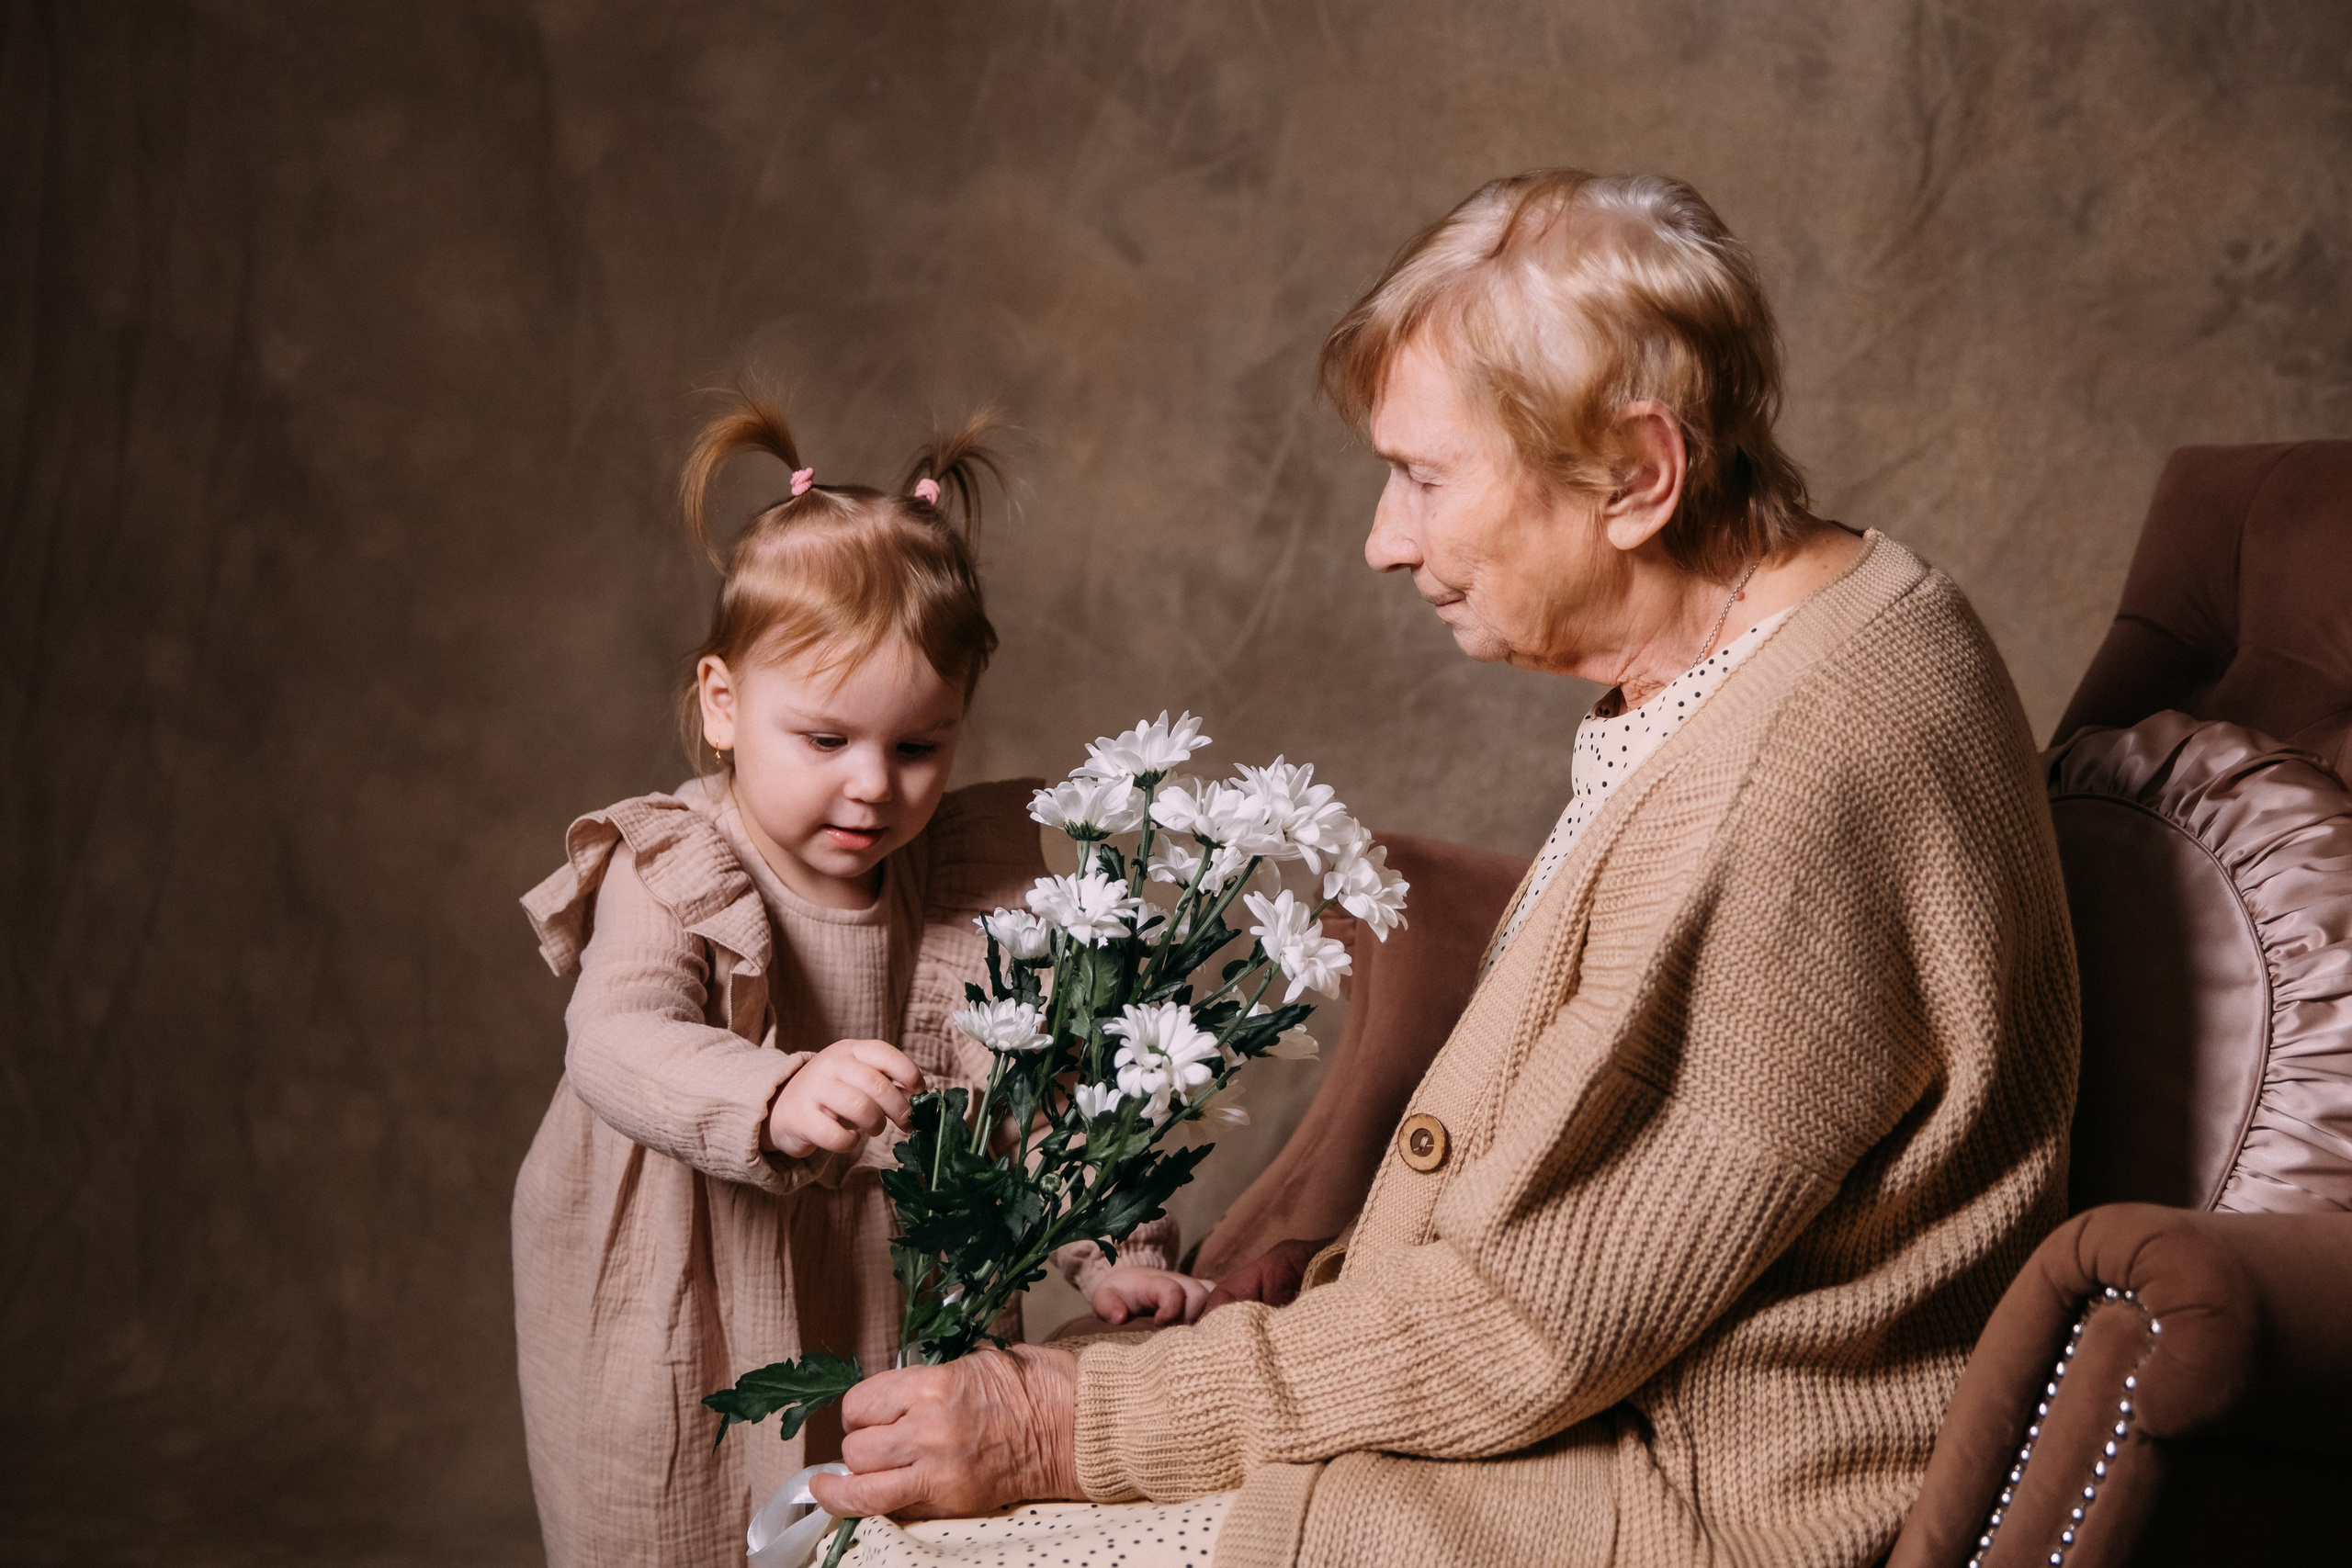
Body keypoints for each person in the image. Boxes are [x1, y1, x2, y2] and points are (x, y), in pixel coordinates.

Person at [804, 171, 2080, 1568]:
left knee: (904, 1554)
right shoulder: (1786, 646)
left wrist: (1080, 1427)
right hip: (1599, 1415)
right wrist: (1330, 1277)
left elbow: (1535, 1322)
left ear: (1638, 473)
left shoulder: (1802, 766)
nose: (1382, 539)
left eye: (1422, 475)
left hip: (1677, 1495)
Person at [510, 391, 1208, 1568]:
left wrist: (1113, 1250)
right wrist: (770, 1096)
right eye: (826, 741)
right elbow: (616, 1036)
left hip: (898, 1286)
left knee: (900, 1527)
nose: (875, 788)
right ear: (723, 704)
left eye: (918, 746)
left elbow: (1030, 1101)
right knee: (676, 1526)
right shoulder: (676, 863)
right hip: (690, 1292)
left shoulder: (962, 886)